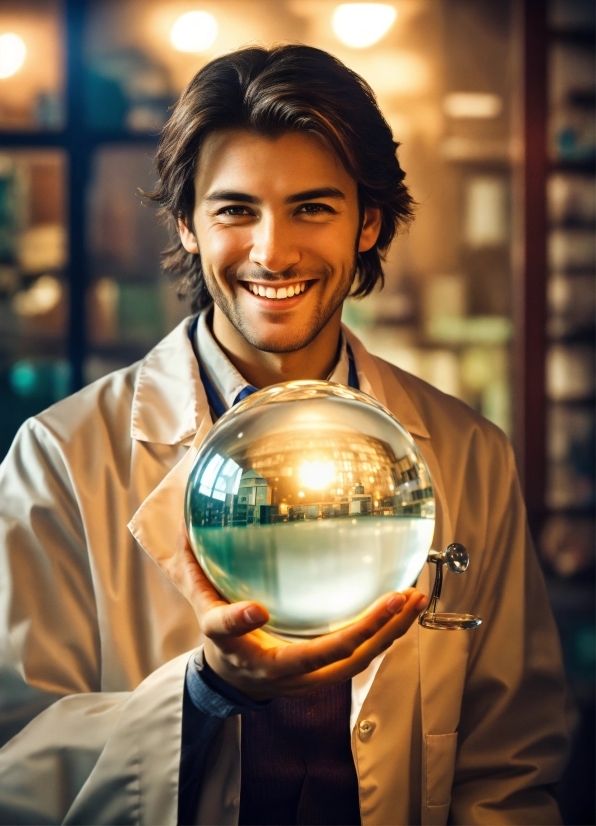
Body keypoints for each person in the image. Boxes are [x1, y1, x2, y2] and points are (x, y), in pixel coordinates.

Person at [0, 45, 568, 826]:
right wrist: (208, 689)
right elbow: (16, 768)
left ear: (368, 222)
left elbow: (508, 769)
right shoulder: (60, 457)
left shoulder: (467, 451)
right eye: (235, 209)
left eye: (313, 207)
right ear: (187, 225)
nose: (274, 252)